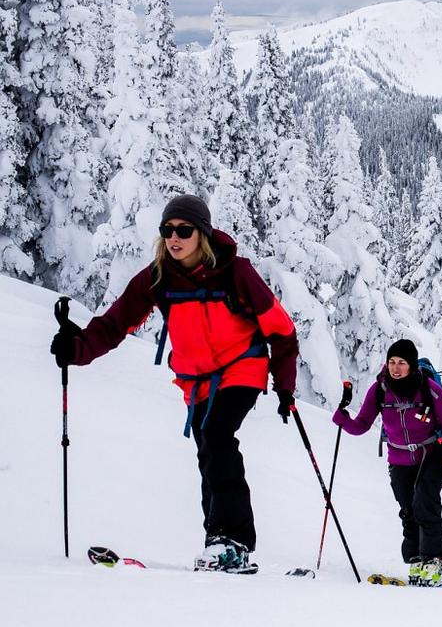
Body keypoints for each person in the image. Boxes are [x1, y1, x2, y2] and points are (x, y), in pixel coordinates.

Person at [49, 194, 298, 573]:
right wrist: (77, 348)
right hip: (196, 380)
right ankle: (217, 541)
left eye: (183, 230)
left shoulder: (236, 273)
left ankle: (236, 541)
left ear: (203, 233)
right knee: (207, 452)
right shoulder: (161, 277)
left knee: (217, 436)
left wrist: (284, 386)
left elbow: (281, 331)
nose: (174, 238)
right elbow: (116, 323)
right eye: (167, 230)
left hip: (242, 366)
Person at [333, 339, 442, 586]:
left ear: (412, 366)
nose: (395, 367)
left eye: (401, 363)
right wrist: (343, 421)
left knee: (425, 502)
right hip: (399, 458)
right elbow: (362, 424)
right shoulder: (380, 390)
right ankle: (416, 560)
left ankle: (434, 559)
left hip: (431, 454)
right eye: (392, 362)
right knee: (408, 510)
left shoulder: (430, 389)